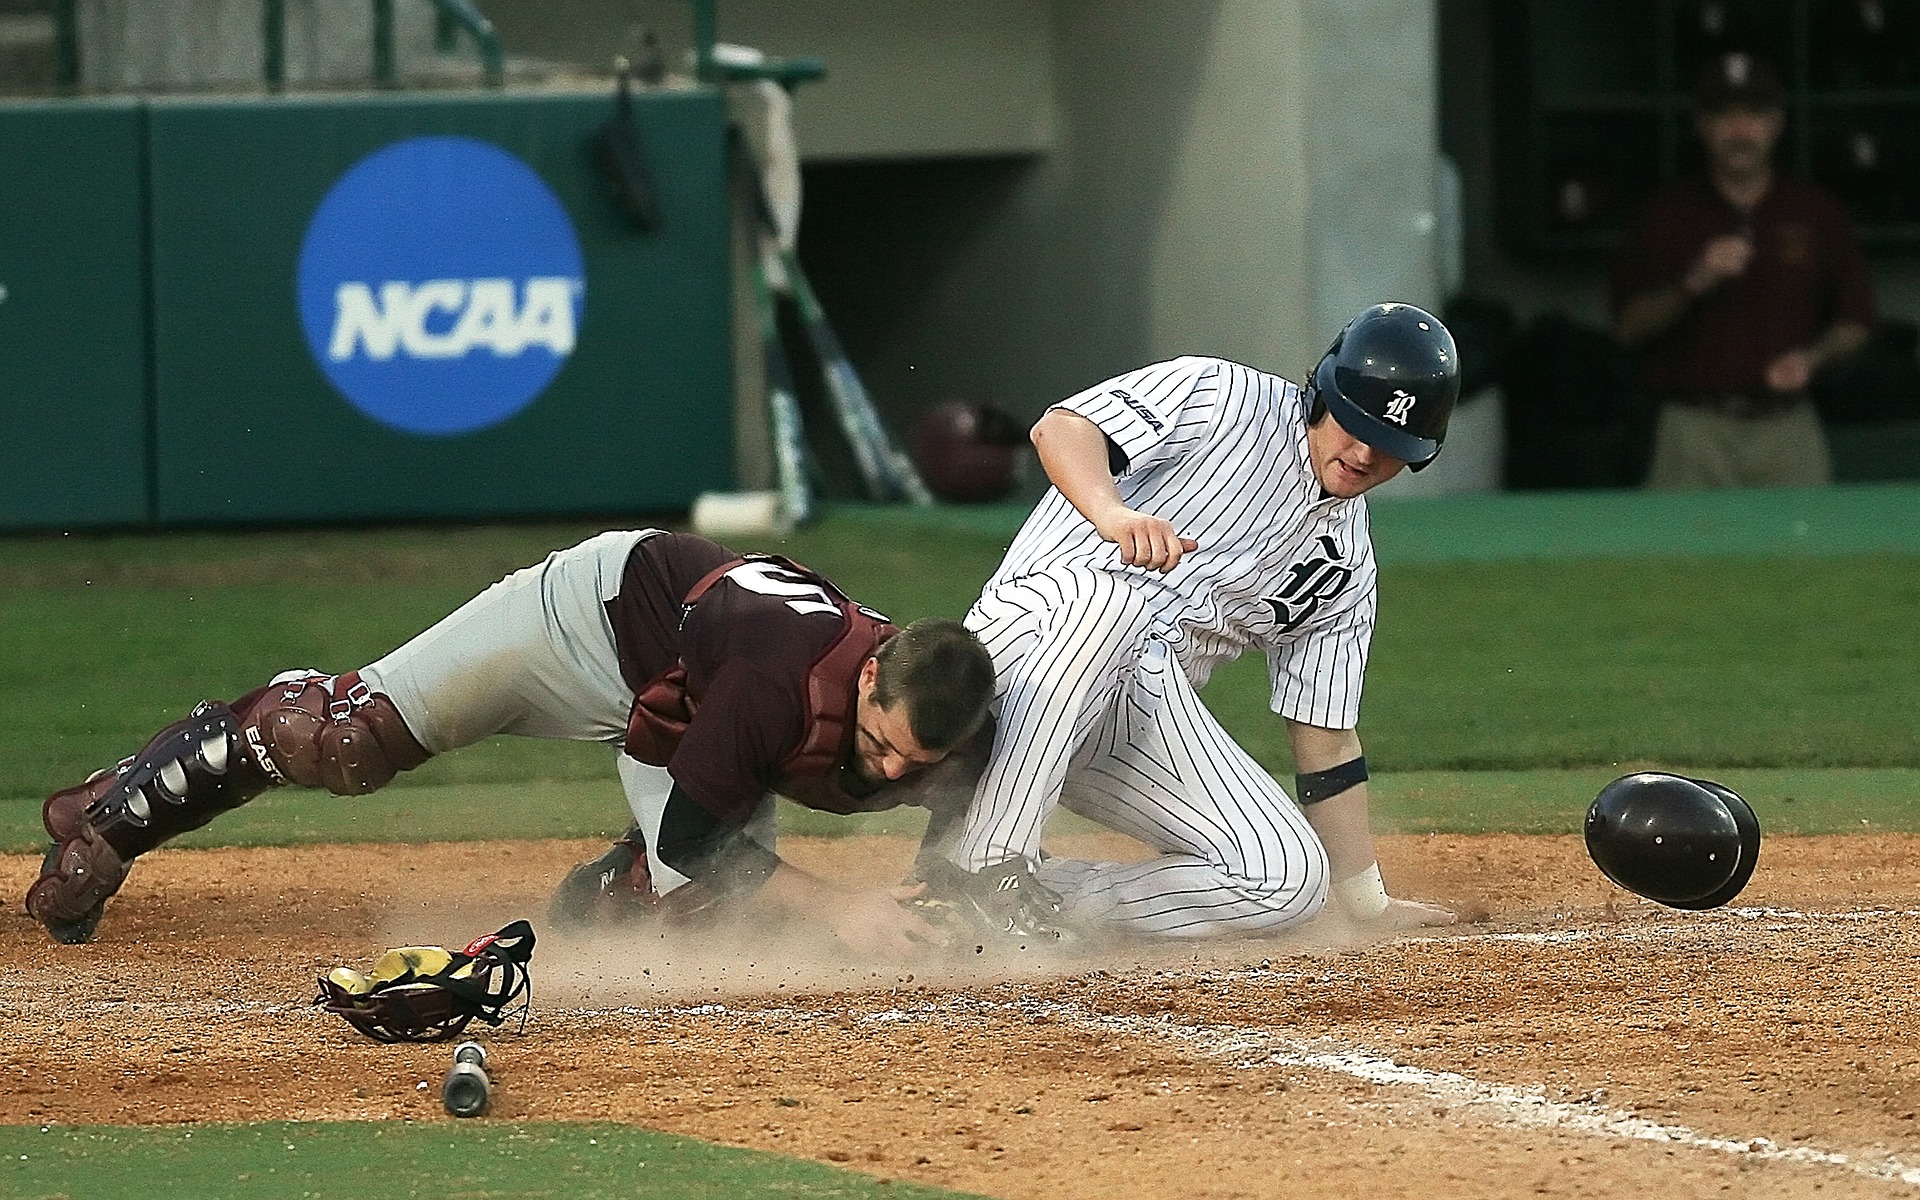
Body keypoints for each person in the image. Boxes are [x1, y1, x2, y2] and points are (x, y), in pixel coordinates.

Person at [26, 530, 997, 956]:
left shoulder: (942, 720)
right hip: (585, 625)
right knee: (346, 744)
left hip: (679, 713)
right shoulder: (781, 682)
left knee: (721, 927)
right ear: (870, 673)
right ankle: (107, 818)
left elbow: (965, 802)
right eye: (883, 743)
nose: (896, 772)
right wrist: (839, 908)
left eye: (919, 764)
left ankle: (616, 888)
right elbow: (702, 833)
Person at [910, 303, 1465, 942]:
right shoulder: (1221, 396)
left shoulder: (1344, 567)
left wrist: (1366, 903)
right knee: (1114, 606)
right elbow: (1060, 430)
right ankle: (980, 866)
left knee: (1287, 880)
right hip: (1021, 657)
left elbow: (1326, 738)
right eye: (1355, 423)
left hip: (1130, 713)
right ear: (1324, 393)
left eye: (1390, 444)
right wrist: (1110, 514)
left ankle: (1039, 903)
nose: (1365, 452)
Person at [1611, 51, 1875, 489]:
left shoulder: (1813, 212)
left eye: (1754, 114)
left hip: (1787, 425)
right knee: (1680, 556)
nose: (1739, 131)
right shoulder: (1665, 215)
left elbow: (1857, 321)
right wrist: (1692, 283)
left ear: (1777, 123)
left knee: (1804, 554)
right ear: (1701, 125)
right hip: (1692, 428)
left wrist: (1813, 357)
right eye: (1723, 115)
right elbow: (1626, 330)